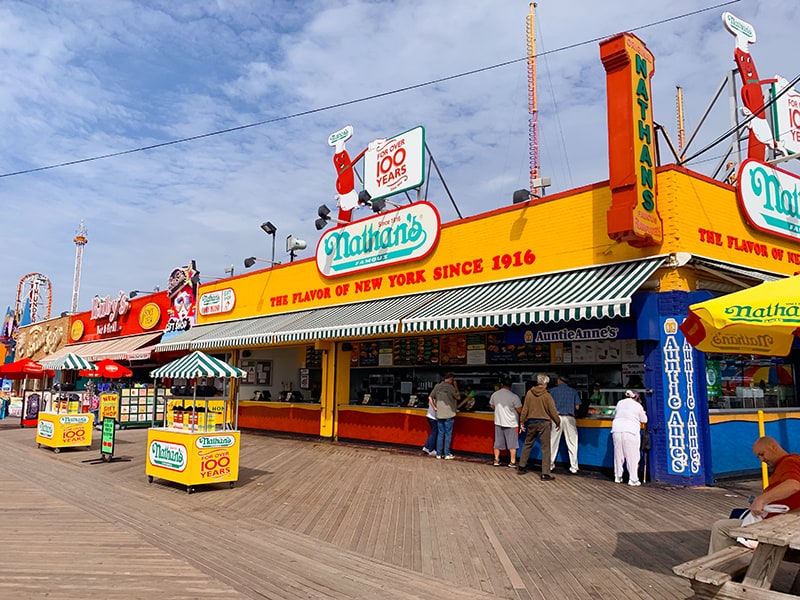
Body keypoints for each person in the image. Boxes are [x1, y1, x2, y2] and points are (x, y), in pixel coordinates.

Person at [708, 436, 800, 554]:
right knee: (736, 516)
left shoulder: (789, 461)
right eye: (758, 457)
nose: (762, 460)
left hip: (781, 526)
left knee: (721, 527)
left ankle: (717, 567)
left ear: (773, 447)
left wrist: (761, 500)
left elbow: (793, 485)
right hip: (785, 522)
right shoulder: (792, 461)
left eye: (762, 454)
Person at [517, 374, 560, 480]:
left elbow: (525, 409)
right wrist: (558, 422)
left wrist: (522, 422)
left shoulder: (529, 393)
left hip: (531, 422)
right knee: (546, 448)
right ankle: (545, 473)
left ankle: (521, 467)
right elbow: (552, 411)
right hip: (544, 423)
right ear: (545, 383)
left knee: (527, 444)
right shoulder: (547, 395)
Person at [611, 389, 648, 486]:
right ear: (636, 397)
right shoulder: (637, 405)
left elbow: (615, 415)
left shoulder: (619, 403)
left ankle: (618, 477)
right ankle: (633, 479)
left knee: (618, 455)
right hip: (630, 431)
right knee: (632, 456)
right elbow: (644, 420)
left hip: (616, 429)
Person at [549, 374, 581, 474]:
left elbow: (548, 406)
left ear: (559, 380)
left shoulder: (552, 391)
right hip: (569, 417)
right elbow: (577, 407)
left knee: (553, 441)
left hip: (556, 418)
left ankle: (550, 464)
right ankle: (574, 467)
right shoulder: (573, 391)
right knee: (572, 443)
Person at [489, 377, 522, 467]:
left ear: (501, 385)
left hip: (498, 422)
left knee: (498, 443)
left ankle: (496, 460)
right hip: (511, 423)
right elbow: (520, 410)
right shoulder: (514, 396)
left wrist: (499, 410)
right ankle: (512, 462)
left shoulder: (495, 395)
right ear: (511, 386)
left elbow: (492, 406)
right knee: (512, 444)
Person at [429, 372, 460, 460]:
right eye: (452, 380)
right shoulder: (451, 387)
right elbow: (458, 397)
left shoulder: (437, 386)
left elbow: (430, 397)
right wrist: (456, 386)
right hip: (449, 414)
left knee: (440, 434)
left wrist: (434, 407)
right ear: (450, 379)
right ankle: (446, 454)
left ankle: (438, 454)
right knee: (448, 434)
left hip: (440, 414)